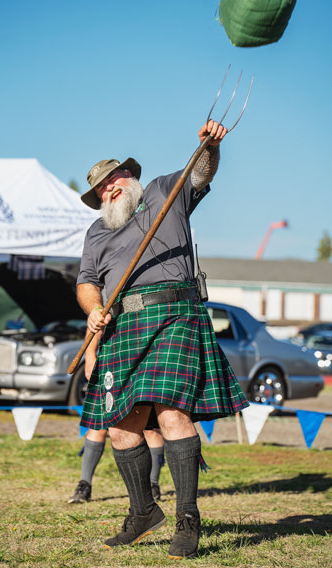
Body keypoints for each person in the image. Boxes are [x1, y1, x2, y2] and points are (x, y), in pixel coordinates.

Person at [76, 120, 249, 559]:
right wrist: (94, 310)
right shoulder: (97, 233)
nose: (109, 190)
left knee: (172, 412)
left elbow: (200, 173)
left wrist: (209, 145)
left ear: (129, 176)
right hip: (121, 327)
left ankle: (187, 518)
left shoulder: (162, 193)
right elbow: (87, 283)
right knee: (120, 426)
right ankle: (142, 512)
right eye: (101, 189)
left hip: (175, 313)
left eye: (114, 180)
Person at [69, 331, 165, 504]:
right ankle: (84, 485)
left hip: (144, 364)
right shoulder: (106, 303)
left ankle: (152, 485)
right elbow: (95, 323)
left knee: (150, 430)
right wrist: (90, 355)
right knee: (98, 426)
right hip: (112, 363)